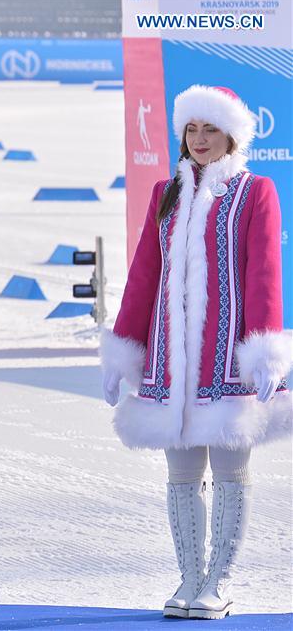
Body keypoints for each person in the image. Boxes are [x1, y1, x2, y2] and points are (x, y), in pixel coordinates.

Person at [100, 85, 290, 619]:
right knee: (181, 477)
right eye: (192, 129)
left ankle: (220, 582)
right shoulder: (167, 191)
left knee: (231, 473)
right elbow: (143, 277)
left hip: (227, 363)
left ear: (230, 134)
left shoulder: (256, 192)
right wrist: (123, 351)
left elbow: (264, 277)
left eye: (210, 129)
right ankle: (189, 579)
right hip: (169, 366)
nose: (200, 139)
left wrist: (265, 352)